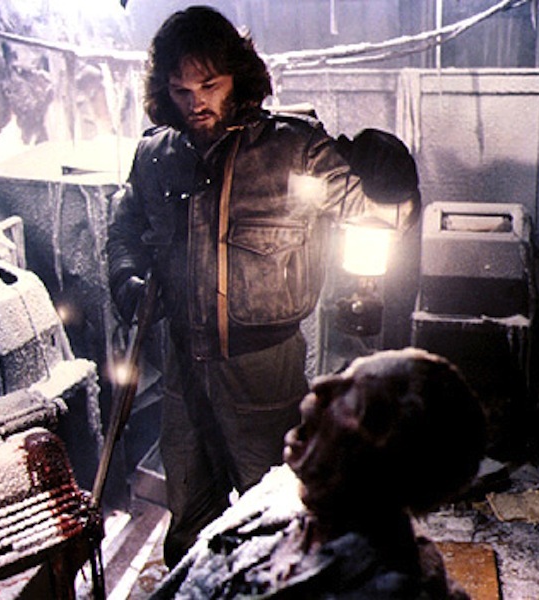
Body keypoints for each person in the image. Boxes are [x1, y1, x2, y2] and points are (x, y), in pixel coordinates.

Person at [106, 5, 420, 567]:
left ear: (239, 78)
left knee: (276, 517)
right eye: (181, 91)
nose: (195, 103)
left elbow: (385, 216)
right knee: (189, 519)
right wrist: (125, 275)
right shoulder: (155, 157)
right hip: (182, 369)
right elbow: (124, 223)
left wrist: (392, 178)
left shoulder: (294, 151)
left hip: (264, 374)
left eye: (210, 85)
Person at [151, 348, 487, 598]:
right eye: (342, 374)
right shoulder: (274, 501)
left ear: (381, 457)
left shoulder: (388, 589)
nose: (321, 385)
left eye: (351, 395)